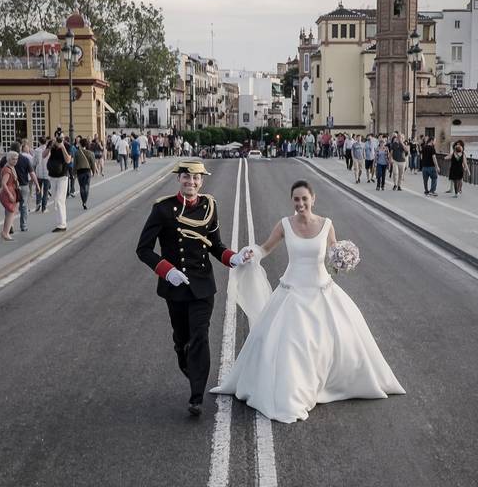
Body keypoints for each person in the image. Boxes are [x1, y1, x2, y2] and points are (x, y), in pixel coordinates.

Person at [211, 180, 405, 423]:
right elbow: (266, 248)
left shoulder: (326, 225)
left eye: (304, 199)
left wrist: (344, 259)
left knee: (336, 339)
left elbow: (334, 253)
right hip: (291, 292)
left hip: (322, 291)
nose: (300, 203)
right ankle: (293, 391)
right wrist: (252, 254)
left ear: (313, 199)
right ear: (292, 201)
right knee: (290, 345)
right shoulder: (284, 225)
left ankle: (333, 382)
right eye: (296, 199)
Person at [135, 159, 248, 416]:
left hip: (202, 285)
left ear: (201, 181)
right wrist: (167, 271)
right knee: (182, 340)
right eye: (187, 177)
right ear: (179, 179)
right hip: (175, 287)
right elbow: (143, 249)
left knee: (200, 336)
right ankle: (188, 361)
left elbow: (215, 245)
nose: (191, 182)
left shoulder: (209, 206)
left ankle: (196, 396)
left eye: (196, 178)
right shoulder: (162, 209)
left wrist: (233, 258)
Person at [46, 130, 73, 232]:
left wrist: (62, 147)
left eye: (61, 138)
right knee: (56, 200)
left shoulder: (67, 146)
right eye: (57, 138)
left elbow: (68, 160)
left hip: (62, 176)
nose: (59, 140)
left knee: (59, 200)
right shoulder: (51, 144)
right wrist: (50, 146)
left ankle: (62, 224)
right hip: (52, 175)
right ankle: (60, 223)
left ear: (63, 137)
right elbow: (44, 155)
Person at [0, 151, 20, 241]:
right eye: (13, 159)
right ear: (8, 159)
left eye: (16, 159)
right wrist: (10, 194)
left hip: (11, 191)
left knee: (10, 213)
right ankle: (5, 233)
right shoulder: (7, 169)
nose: (15, 161)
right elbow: (4, 183)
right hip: (9, 192)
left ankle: (5, 232)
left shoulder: (10, 167)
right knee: (11, 212)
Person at [74, 137, 96, 210]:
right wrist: (94, 171)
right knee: (87, 186)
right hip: (87, 171)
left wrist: (74, 173)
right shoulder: (90, 153)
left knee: (81, 187)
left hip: (80, 172)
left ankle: (83, 200)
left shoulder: (77, 153)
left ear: (80, 144)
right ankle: (85, 201)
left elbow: (75, 164)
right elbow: (93, 163)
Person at [32, 137, 50, 213]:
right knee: (46, 191)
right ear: (46, 142)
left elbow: (34, 162)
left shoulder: (36, 150)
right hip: (47, 173)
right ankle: (44, 207)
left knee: (38, 189)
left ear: (39, 142)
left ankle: (38, 204)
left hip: (38, 173)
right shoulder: (49, 150)